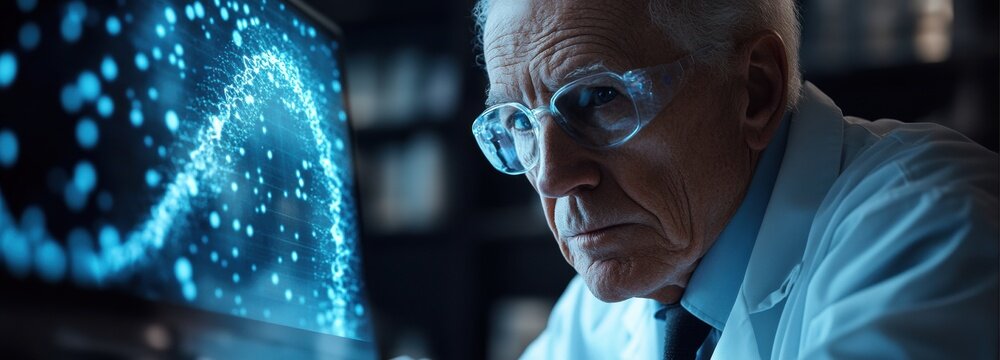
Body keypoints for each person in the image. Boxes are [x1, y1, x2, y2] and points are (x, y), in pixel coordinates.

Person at [469, 0, 999, 358]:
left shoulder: (927, 224)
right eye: (518, 123)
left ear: (755, 90)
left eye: (598, 97)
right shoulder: (604, 309)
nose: (553, 178)